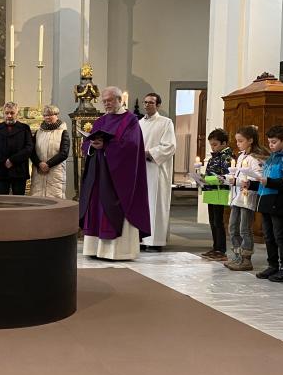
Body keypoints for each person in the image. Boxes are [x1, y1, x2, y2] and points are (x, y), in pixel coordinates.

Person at [79, 86, 150, 260]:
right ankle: (96, 249)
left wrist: (107, 146)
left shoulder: (130, 121)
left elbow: (132, 146)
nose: (106, 104)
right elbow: (87, 143)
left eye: (109, 101)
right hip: (99, 175)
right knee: (96, 208)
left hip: (118, 178)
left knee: (113, 208)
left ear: (120, 100)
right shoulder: (101, 120)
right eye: (104, 101)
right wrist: (91, 146)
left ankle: (117, 252)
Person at [255, 125, 283, 282]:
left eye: (274, 142)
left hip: (279, 200)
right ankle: (272, 265)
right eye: (269, 142)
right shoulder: (271, 158)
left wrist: (269, 181)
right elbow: (265, 181)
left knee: (280, 235)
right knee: (268, 235)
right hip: (265, 199)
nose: (271, 145)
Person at [223, 125, 266, 272]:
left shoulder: (256, 159)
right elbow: (238, 176)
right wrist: (231, 179)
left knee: (244, 229)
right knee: (232, 227)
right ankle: (237, 256)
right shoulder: (241, 156)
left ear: (251, 140)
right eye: (237, 141)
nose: (238, 143)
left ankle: (246, 258)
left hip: (248, 198)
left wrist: (242, 182)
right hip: (237, 197)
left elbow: (258, 178)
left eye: (241, 141)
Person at [139, 92, 176, 252]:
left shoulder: (166, 123)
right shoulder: (139, 123)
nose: (147, 105)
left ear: (158, 105)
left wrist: (149, 153)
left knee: (156, 204)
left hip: (157, 169)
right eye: (145, 102)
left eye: (151, 103)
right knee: (142, 205)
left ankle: (156, 241)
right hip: (140, 169)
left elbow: (170, 146)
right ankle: (141, 239)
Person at [0, 102, 33, 195]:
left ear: (17, 113)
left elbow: (29, 148)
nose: (9, 115)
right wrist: (5, 161)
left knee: (18, 201)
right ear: (3, 113)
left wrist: (12, 160)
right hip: (1, 170)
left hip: (19, 170)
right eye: (7, 113)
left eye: (12, 113)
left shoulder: (24, 128)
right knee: (2, 201)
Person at [199, 129, 231, 261]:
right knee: (212, 221)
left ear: (224, 143)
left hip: (220, 192)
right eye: (211, 144)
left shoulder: (227, 157)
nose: (213, 147)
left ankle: (221, 250)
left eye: (215, 144)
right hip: (211, 191)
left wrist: (207, 179)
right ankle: (215, 247)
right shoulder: (214, 157)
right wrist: (202, 178)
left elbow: (225, 177)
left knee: (218, 222)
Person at [30, 104, 70, 199]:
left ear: (56, 115)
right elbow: (31, 151)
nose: (47, 117)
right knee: (38, 200)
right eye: (45, 115)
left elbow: (64, 153)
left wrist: (48, 164)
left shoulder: (63, 132)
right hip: (39, 171)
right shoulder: (38, 132)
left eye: (50, 115)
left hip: (55, 171)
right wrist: (39, 164)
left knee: (55, 199)